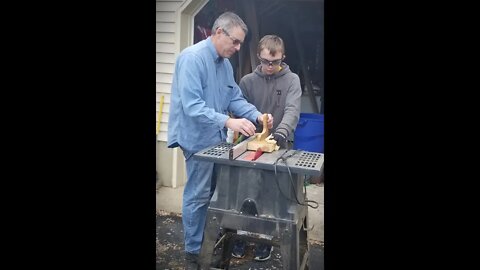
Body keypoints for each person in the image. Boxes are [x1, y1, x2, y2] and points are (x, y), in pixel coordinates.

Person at [167, 12, 273, 269]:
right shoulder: (192, 59)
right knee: (198, 195)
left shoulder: (224, 65)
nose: (237, 48)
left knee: (216, 194)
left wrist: (257, 115)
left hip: (216, 140)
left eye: (240, 44)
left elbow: (234, 98)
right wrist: (229, 122)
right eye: (235, 42)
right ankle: (194, 252)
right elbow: (192, 106)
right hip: (195, 138)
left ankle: (208, 243)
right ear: (218, 33)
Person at [233, 34, 302, 262]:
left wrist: (281, 133)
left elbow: (292, 110)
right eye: (264, 61)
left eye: (274, 62)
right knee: (246, 194)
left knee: (272, 197)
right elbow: (239, 108)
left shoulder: (292, 80)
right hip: (251, 146)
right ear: (258, 57)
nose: (269, 67)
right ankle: (242, 234)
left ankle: (266, 239)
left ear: (283, 57)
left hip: (281, 146)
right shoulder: (247, 81)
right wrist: (248, 129)